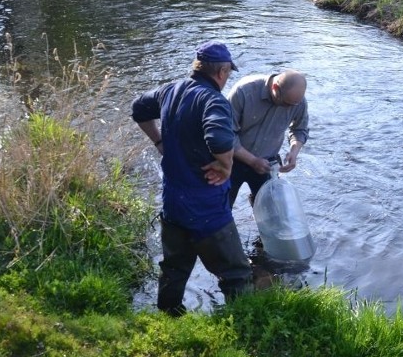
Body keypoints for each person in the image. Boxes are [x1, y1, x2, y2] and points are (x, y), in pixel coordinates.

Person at [131, 42, 252, 316]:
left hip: (173, 203)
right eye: (228, 73)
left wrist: (159, 140)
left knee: (174, 267)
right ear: (221, 72)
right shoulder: (214, 100)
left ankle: (169, 314)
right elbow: (219, 137)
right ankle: (245, 324)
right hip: (206, 207)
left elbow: (138, 109)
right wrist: (225, 164)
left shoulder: (170, 90)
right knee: (237, 273)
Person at [226, 69, 309, 208]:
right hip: (232, 159)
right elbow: (226, 134)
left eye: (293, 105)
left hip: (267, 163)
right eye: (286, 103)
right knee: (221, 208)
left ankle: (257, 210)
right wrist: (252, 161)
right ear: (275, 87)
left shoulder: (297, 101)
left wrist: (294, 152)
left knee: (271, 211)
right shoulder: (244, 91)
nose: (289, 108)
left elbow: (300, 129)